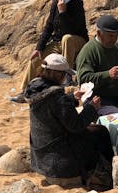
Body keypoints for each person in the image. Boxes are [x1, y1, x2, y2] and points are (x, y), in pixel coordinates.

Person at [26, 53, 113, 186]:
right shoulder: (57, 96)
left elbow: (53, 111)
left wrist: (72, 98)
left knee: (94, 131)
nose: (65, 78)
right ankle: (105, 174)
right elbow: (76, 126)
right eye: (64, 75)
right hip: (60, 158)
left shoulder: (35, 88)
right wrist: (91, 108)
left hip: (42, 153)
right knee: (100, 133)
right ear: (57, 74)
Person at [12, 0, 88, 103]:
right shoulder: (55, 4)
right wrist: (39, 47)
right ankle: (24, 91)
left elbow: (73, 29)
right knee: (36, 58)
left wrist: (63, 12)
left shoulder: (77, 3)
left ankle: (66, 77)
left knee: (67, 38)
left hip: (77, 40)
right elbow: (49, 26)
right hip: (58, 42)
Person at [76, 14, 118, 112]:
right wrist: (108, 74)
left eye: (116, 36)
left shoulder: (117, 47)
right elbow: (84, 79)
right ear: (99, 33)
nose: (114, 39)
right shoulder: (88, 50)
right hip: (100, 98)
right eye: (110, 36)